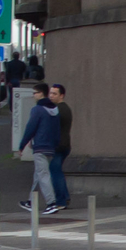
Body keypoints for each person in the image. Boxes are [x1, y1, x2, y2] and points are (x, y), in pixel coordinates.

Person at [17, 84, 58, 214]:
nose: (33, 95)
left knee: (43, 175)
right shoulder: (55, 109)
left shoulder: (37, 110)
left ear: (41, 94)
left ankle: (51, 203)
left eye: (35, 93)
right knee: (38, 174)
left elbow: (31, 128)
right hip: (51, 147)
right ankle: (31, 201)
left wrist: (22, 145)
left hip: (40, 146)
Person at [44, 84, 73, 215]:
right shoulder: (64, 108)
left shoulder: (58, 110)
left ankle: (60, 201)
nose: (51, 96)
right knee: (57, 171)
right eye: (50, 93)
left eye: (54, 94)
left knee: (55, 172)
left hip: (58, 145)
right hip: (64, 144)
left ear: (61, 95)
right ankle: (64, 197)